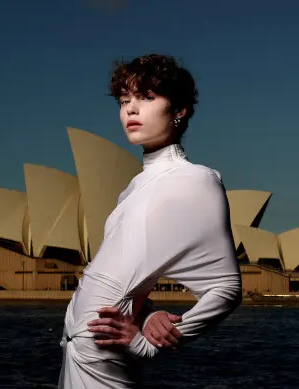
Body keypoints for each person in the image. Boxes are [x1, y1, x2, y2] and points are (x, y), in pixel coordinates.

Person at [58, 54, 242, 388]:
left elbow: (226, 288)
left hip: (105, 356)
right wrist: (148, 314)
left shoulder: (195, 180)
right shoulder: (132, 187)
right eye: (125, 100)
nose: (131, 109)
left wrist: (147, 346)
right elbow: (131, 274)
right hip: (80, 347)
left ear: (180, 110)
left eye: (146, 97)